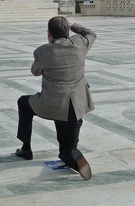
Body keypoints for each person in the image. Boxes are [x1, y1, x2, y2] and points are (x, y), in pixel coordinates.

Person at [15, 16, 97, 180]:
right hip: (77, 106)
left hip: (52, 104)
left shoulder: (43, 51)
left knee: (23, 103)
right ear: (67, 30)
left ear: (49, 33)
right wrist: (73, 25)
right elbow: (91, 33)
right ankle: (74, 154)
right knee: (68, 148)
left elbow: (35, 71)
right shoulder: (79, 44)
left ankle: (26, 148)